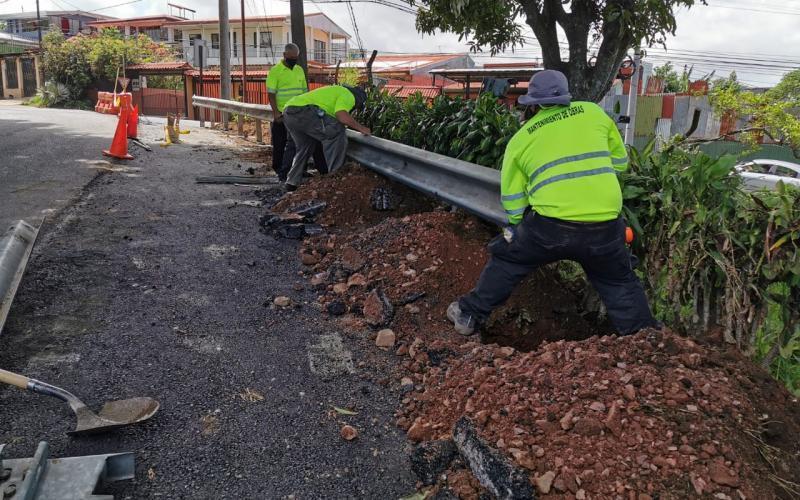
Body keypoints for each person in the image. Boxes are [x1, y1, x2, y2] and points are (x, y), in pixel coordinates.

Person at [447, 70, 660, 337]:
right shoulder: (593, 113)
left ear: (533, 102)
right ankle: (645, 341)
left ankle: (468, 315)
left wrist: (518, 228)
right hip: (605, 226)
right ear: (566, 94)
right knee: (619, 281)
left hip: (549, 229)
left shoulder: (522, 139)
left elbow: (512, 200)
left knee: (508, 261)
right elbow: (620, 163)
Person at [282, 84, 371, 190]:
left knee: (306, 146)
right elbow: (341, 115)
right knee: (337, 131)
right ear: (359, 100)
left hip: (289, 112)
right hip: (305, 111)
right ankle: (335, 179)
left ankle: (292, 182)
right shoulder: (349, 95)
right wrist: (361, 128)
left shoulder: (335, 90)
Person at [266, 43, 325, 181]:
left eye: (296, 57)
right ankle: (281, 170)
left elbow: (305, 92)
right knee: (281, 144)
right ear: (285, 55)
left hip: (299, 113)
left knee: (298, 144)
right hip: (282, 113)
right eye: (291, 57)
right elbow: (271, 94)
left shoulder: (299, 70)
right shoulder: (275, 71)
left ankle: (298, 170)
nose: (293, 60)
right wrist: (275, 113)